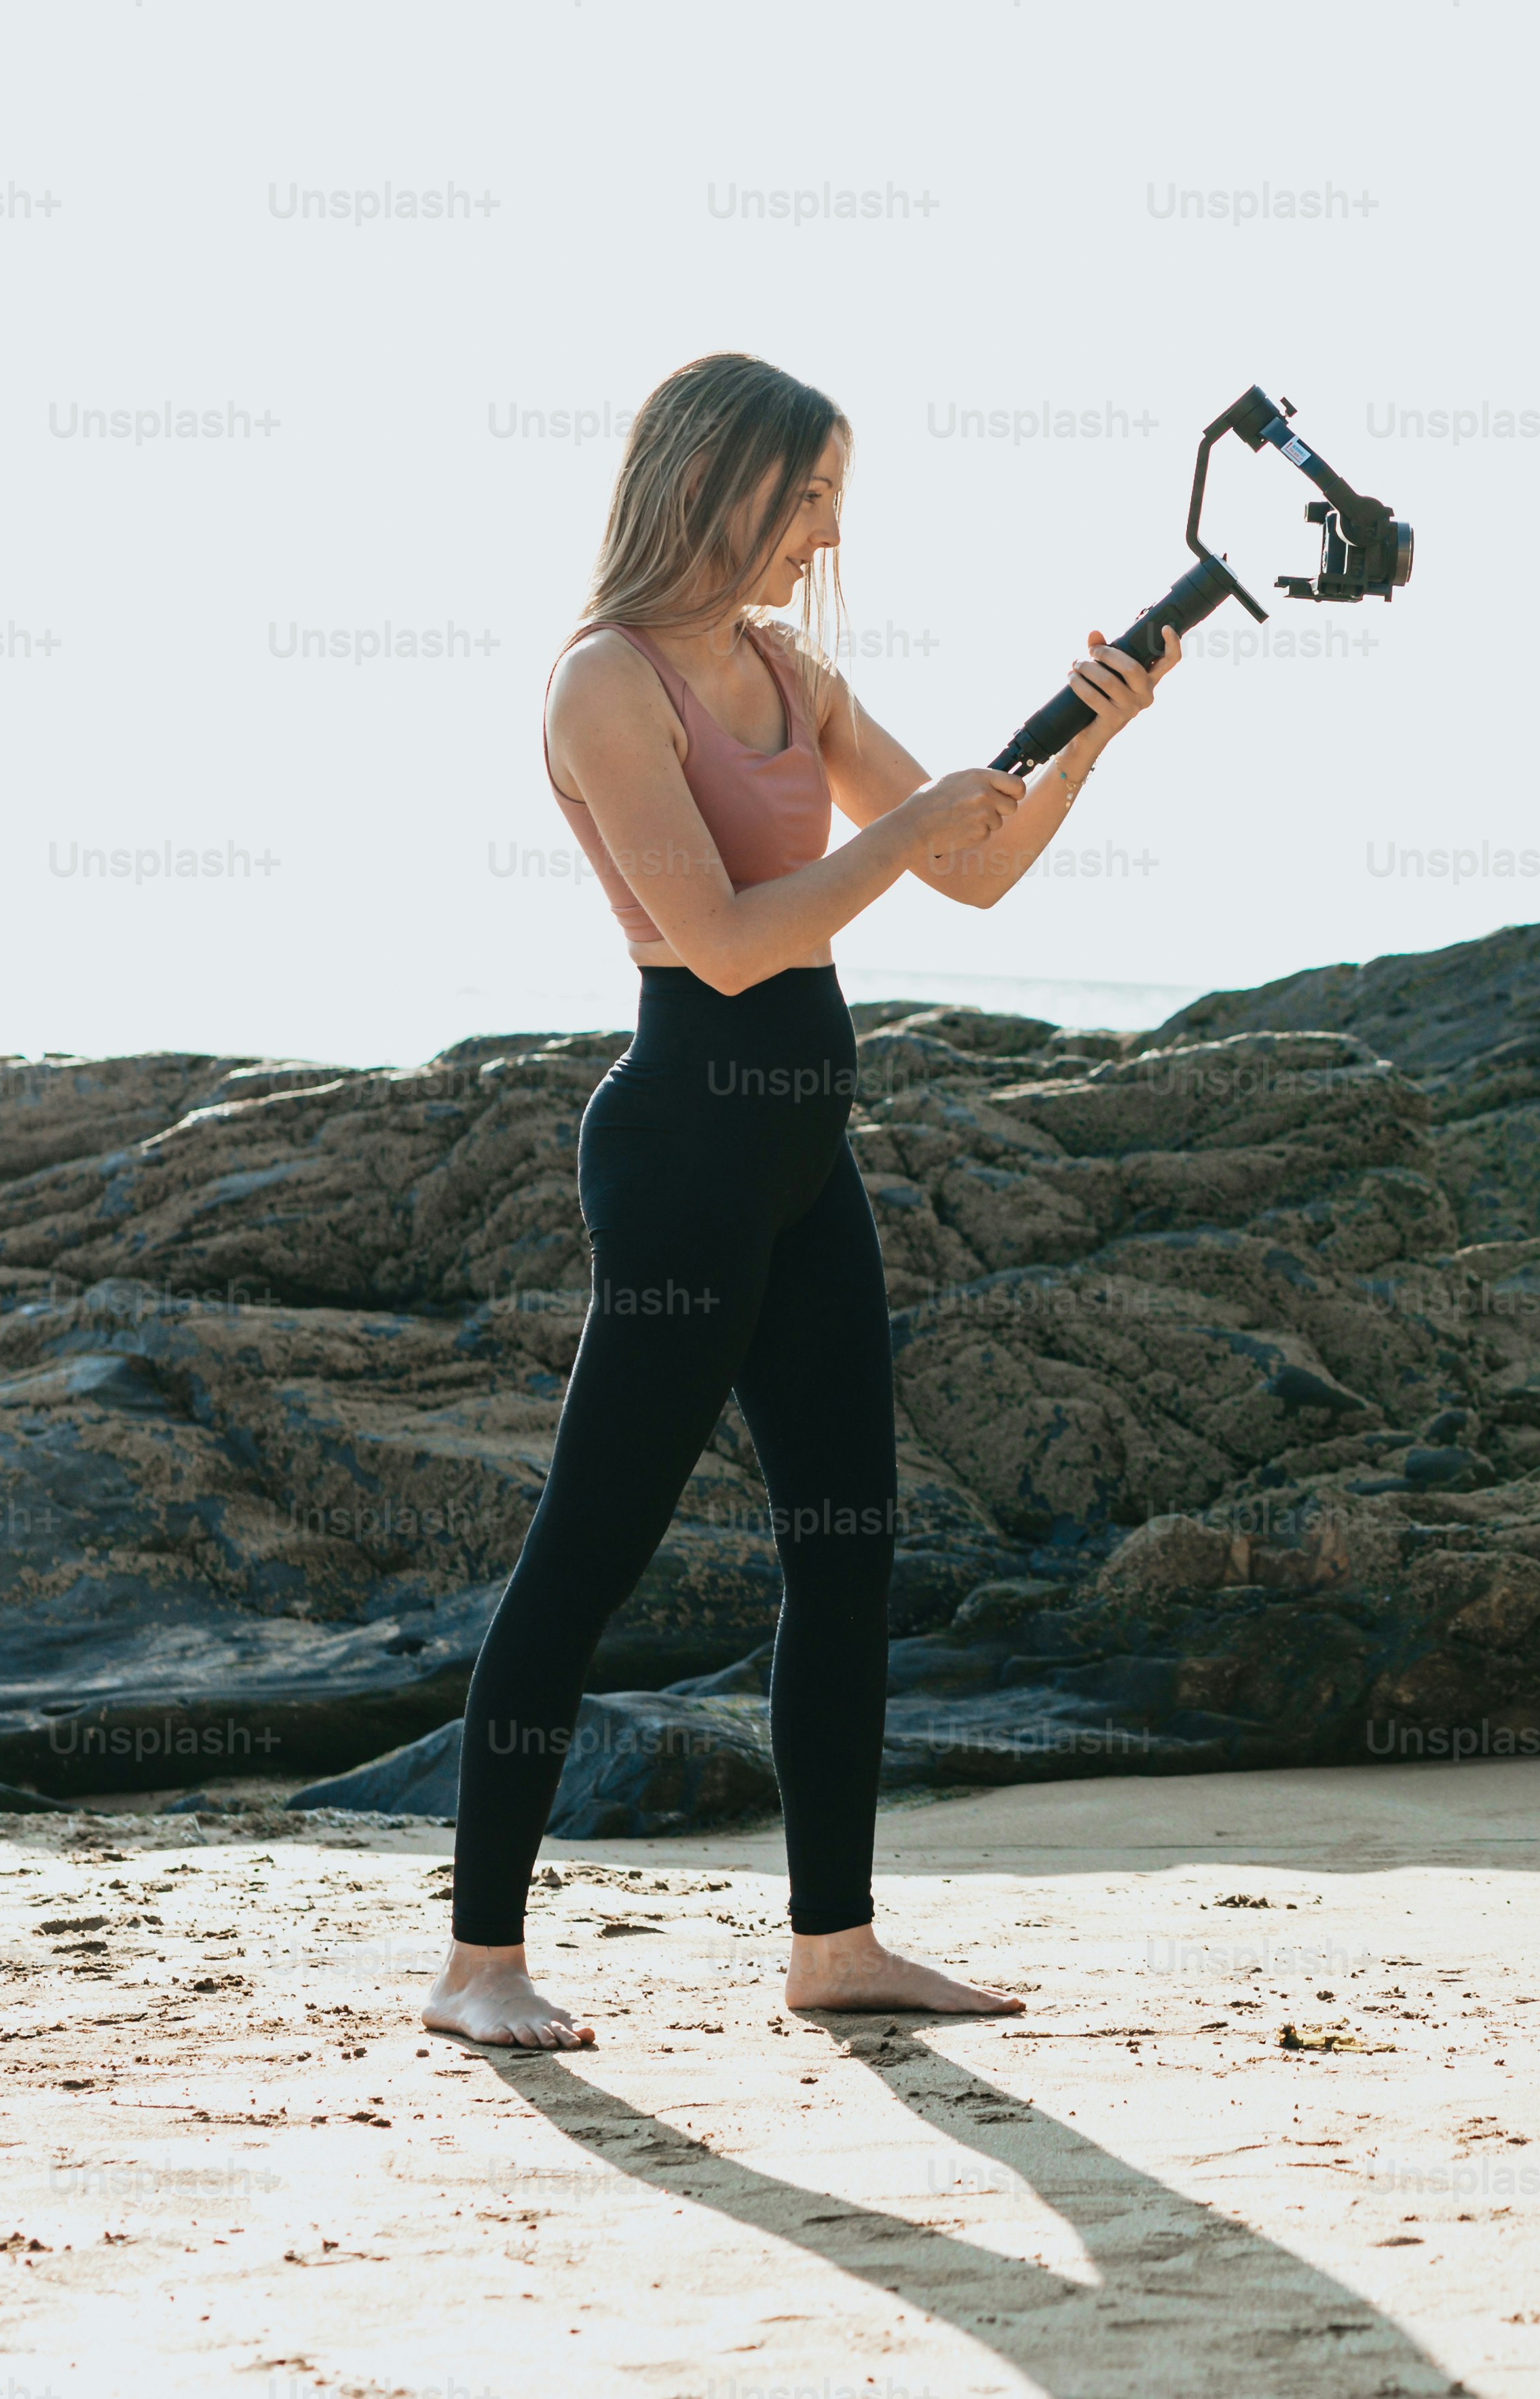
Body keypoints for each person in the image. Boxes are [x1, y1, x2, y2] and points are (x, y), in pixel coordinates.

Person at [424, 352, 1183, 2050]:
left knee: (846, 1550)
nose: (828, 530)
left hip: (799, 1158)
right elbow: (732, 939)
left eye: (836, 493)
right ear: (717, 481)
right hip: (686, 1145)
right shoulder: (604, 685)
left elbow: (971, 866)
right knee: (590, 1551)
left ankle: (833, 1942)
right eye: (809, 491)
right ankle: (479, 1961)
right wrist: (908, 821)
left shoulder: (788, 672)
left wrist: (1092, 736)